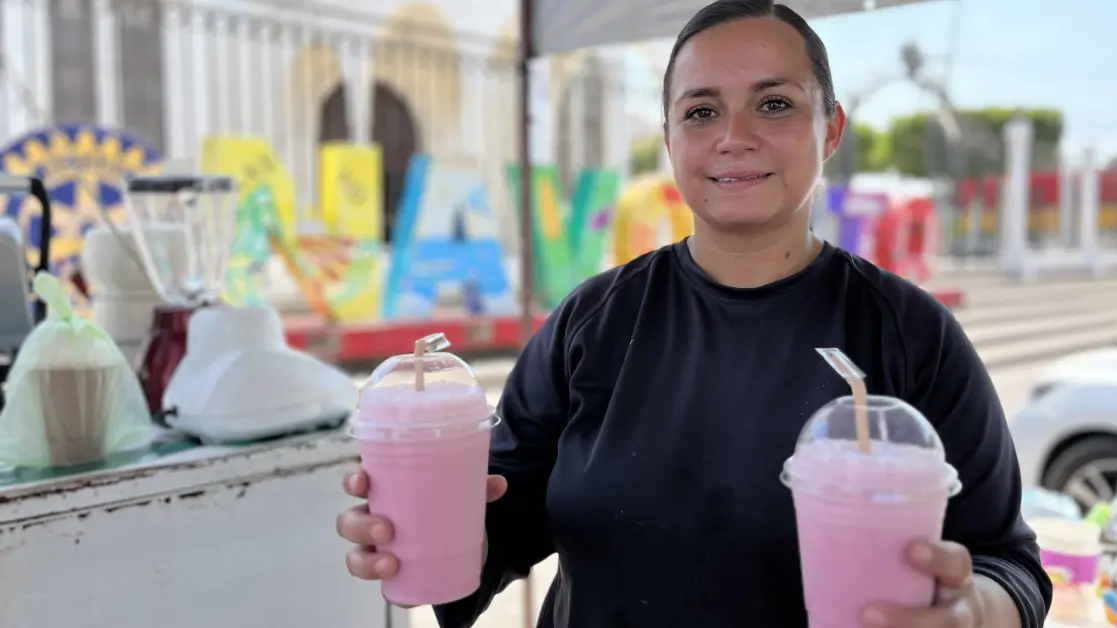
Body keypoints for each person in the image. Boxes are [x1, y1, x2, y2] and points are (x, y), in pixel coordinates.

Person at [336, 1, 1053, 626]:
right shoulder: (593, 322)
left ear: (830, 129)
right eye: (701, 111)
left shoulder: (911, 336)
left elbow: (1009, 565)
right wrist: (418, 527)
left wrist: (971, 612)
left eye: (774, 104)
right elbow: (504, 521)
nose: (732, 136)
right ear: (672, 137)